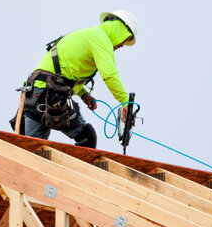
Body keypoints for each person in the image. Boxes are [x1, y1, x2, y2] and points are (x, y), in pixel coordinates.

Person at [13, 10, 138, 148]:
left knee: (33, 150)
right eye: (125, 39)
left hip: (36, 94)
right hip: (47, 94)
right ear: (120, 31)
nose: (122, 45)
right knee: (87, 137)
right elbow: (110, 75)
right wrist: (125, 102)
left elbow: (65, 72)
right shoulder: (101, 38)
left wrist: (83, 94)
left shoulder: (91, 35)